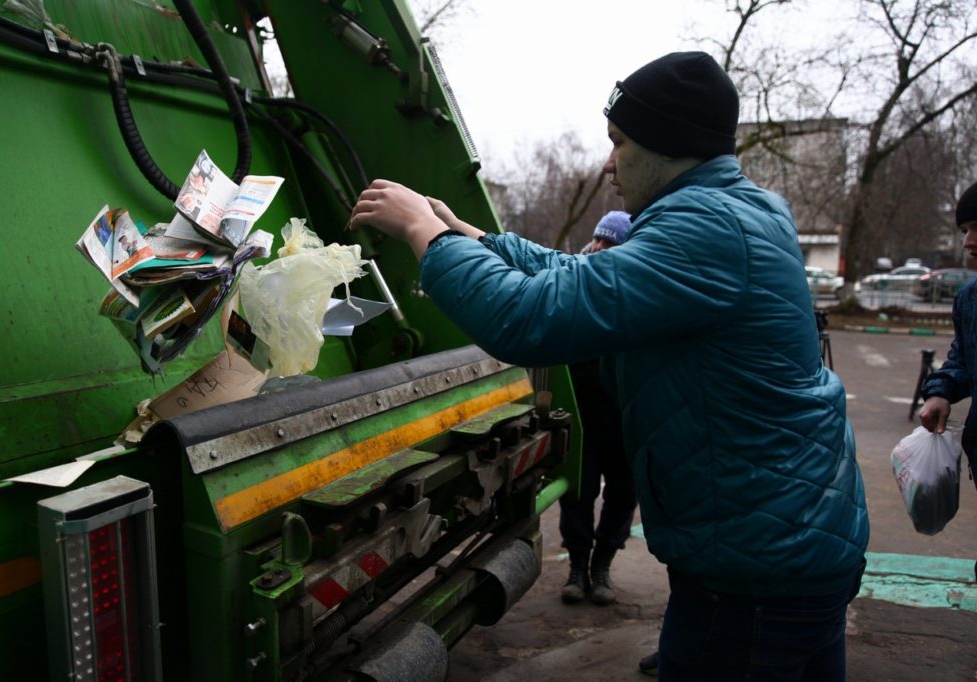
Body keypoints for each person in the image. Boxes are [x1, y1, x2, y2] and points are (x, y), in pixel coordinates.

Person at [351, 51, 869, 680]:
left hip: (756, 566)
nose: (608, 163)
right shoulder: (738, 212)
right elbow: (587, 275)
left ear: (669, 146)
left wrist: (422, 236)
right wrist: (475, 238)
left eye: (619, 142)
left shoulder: (705, 230)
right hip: (784, 541)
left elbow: (529, 318)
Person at [559, 211, 638, 606]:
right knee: (578, 492)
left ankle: (602, 564)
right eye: (599, 240)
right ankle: (577, 566)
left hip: (625, 418)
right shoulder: (572, 282)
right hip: (582, 414)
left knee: (624, 492)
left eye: (613, 244)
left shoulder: (637, 292)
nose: (602, 249)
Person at [917, 180, 977, 538]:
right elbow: (963, 359)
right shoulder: (970, 298)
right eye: (966, 230)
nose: (968, 242)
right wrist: (940, 390)